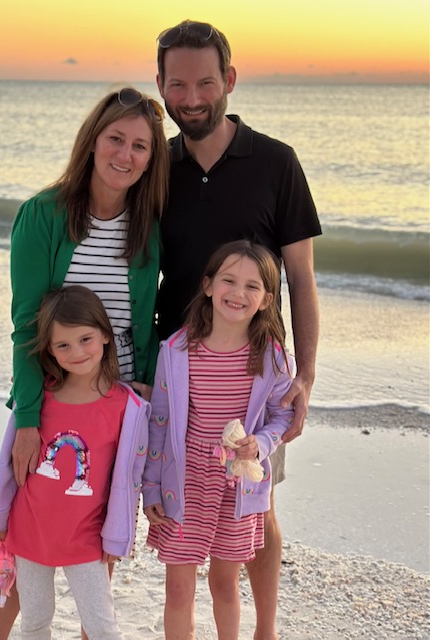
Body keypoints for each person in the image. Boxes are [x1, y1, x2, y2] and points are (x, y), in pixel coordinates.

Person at [0, 87, 169, 639]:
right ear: (93, 141)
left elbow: (148, 320)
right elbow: (26, 327)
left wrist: (149, 389)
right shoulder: (42, 215)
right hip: (52, 397)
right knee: (21, 535)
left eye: (140, 145)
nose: (126, 154)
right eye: (116, 138)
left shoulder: (147, 224)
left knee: (99, 532)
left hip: (117, 405)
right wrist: (31, 419)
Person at [154, 20, 322, 639]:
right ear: (161, 85)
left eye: (204, 82)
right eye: (177, 85)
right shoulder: (155, 166)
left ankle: (265, 630)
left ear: (228, 79)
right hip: (173, 374)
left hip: (252, 377)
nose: (191, 98)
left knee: (259, 508)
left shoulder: (276, 162)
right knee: (171, 512)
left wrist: (302, 376)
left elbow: (301, 278)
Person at [0, 285, 151, 639]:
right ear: (49, 350)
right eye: (63, 345)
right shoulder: (38, 398)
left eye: (85, 339)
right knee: (36, 620)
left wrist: (120, 533)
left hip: (86, 538)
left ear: (105, 335)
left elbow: (131, 477)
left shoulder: (126, 406)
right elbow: (7, 468)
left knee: (102, 626)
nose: (76, 352)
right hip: (28, 533)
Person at [143, 240, 295, 639]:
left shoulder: (272, 358)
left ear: (266, 300)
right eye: (228, 280)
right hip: (184, 481)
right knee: (178, 588)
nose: (238, 293)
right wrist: (151, 487)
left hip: (237, 483)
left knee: (224, 583)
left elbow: (282, 416)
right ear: (208, 285)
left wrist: (260, 444)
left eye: (252, 286)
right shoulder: (176, 350)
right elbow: (158, 422)